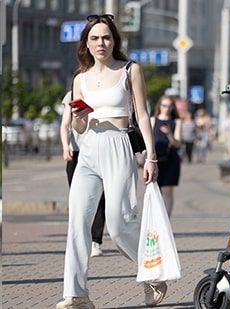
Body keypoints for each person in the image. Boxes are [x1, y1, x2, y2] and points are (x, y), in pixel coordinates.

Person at [56, 14, 164, 309]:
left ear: (114, 40)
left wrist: (150, 158)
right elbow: (77, 128)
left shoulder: (130, 70)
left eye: (106, 37)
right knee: (78, 221)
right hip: (88, 149)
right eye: (94, 38)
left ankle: (153, 275)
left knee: (118, 225)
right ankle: (77, 295)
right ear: (86, 44)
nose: (101, 43)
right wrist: (78, 120)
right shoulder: (80, 79)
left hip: (118, 145)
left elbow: (142, 115)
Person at [60, 91, 106, 258]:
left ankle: (96, 240)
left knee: (100, 198)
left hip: (97, 150)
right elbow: (65, 124)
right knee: (77, 199)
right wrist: (65, 146)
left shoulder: (104, 89)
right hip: (76, 152)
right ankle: (79, 239)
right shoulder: (72, 94)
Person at [151, 96, 182, 216]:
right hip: (156, 159)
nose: (166, 108)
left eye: (169, 106)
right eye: (164, 105)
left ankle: (166, 222)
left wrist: (169, 134)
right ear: (159, 106)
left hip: (171, 160)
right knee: (155, 191)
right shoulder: (153, 120)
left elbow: (178, 144)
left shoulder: (176, 122)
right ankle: (156, 221)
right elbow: (148, 141)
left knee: (168, 191)